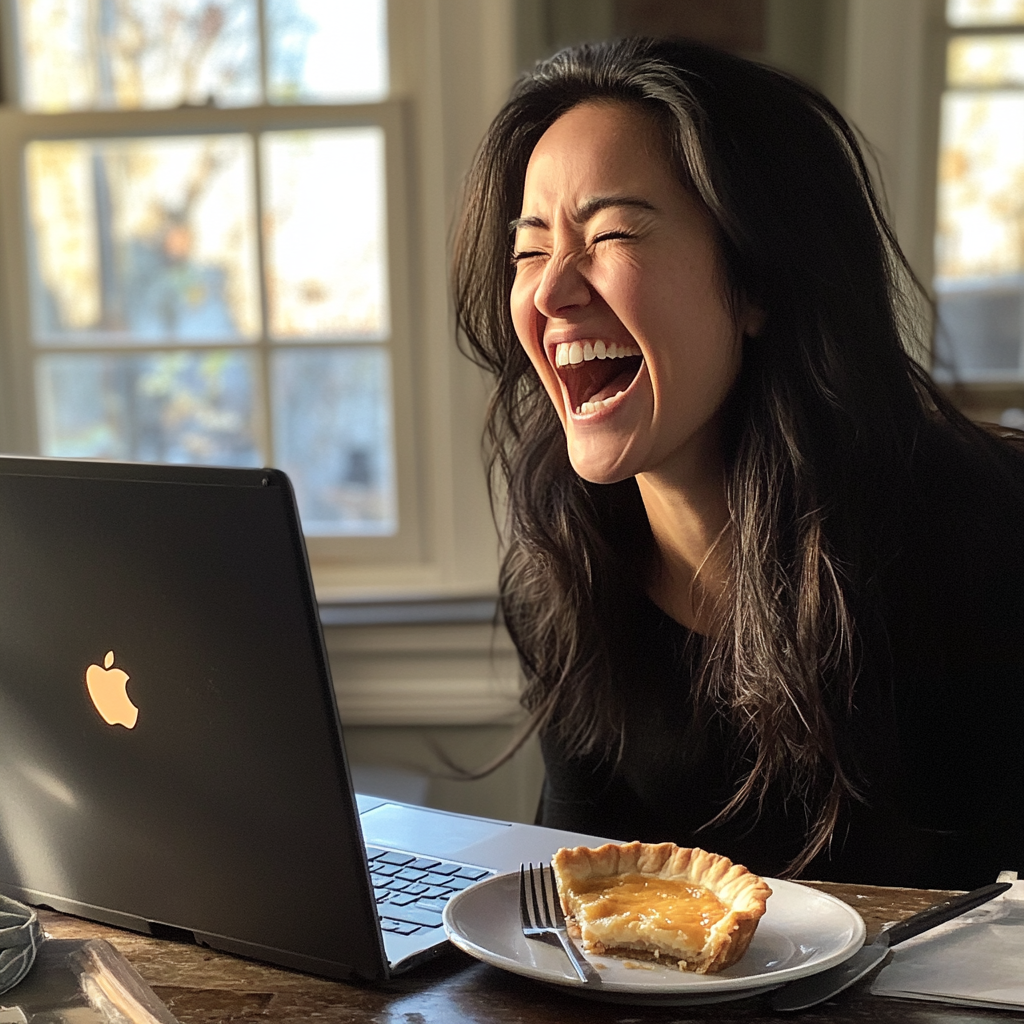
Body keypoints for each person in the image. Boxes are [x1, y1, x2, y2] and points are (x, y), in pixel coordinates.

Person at [452, 37, 1024, 889]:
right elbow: (576, 917)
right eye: (530, 250)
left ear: (760, 280)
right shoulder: (566, 570)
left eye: (610, 233)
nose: (550, 290)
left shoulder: (989, 537)